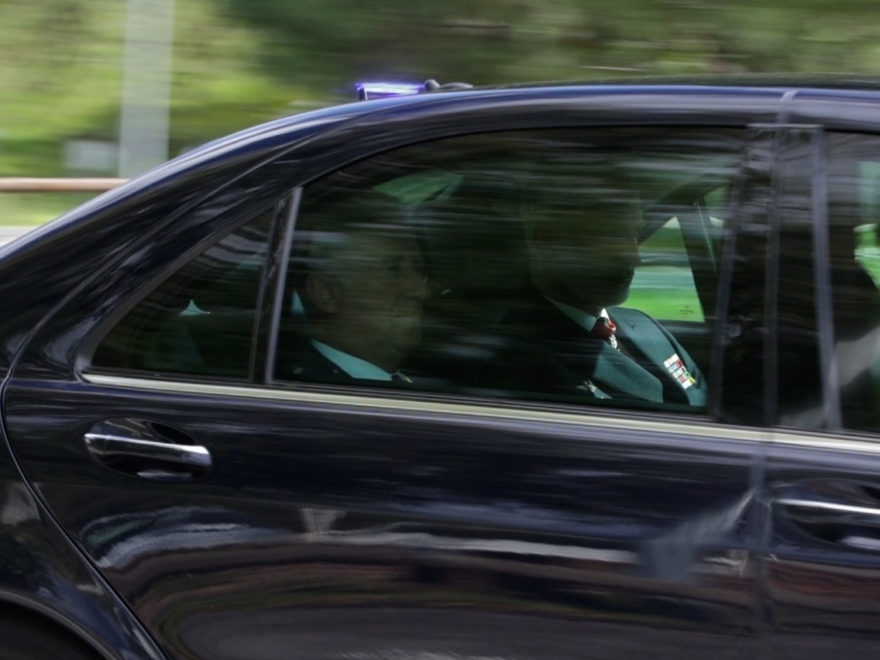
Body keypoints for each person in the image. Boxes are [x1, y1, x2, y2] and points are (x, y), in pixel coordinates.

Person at [499, 181, 708, 406]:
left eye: (634, 233)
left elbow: (701, 396)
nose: (633, 256)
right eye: (610, 238)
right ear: (547, 240)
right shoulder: (518, 359)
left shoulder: (643, 323)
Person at [280, 194, 431, 384]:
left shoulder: (424, 381)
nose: (422, 291)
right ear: (326, 293)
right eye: (393, 269)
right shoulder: (311, 397)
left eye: (419, 269)